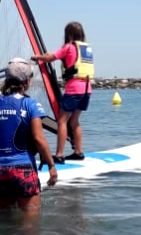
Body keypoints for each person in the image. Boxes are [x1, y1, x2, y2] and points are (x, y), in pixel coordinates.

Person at [0, 58, 58, 213]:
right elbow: (38, 139)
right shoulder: (30, 105)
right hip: (23, 169)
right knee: (30, 228)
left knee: (3, 222)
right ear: (27, 81)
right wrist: (51, 166)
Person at [31, 22, 94, 164]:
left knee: (62, 121)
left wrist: (38, 57)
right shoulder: (86, 48)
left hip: (74, 89)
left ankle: (59, 155)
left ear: (68, 34)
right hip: (87, 89)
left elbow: (50, 58)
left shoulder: (69, 47)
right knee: (75, 121)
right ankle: (78, 152)